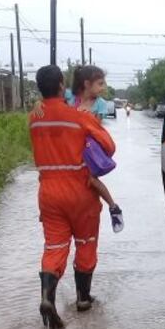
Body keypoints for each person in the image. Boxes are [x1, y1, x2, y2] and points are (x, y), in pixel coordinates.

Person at [29, 65, 116, 329]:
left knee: (54, 247)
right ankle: (83, 300)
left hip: (48, 191)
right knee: (86, 243)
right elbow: (109, 147)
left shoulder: (34, 117)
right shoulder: (78, 116)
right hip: (79, 189)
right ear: (60, 86)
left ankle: (47, 297)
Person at [67, 66, 124, 233]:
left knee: (91, 179)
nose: (104, 87)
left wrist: (82, 118)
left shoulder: (100, 104)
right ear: (86, 84)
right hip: (70, 146)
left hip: (89, 147)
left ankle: (113, 207)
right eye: (100, 83)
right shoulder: (70, 98)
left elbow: (95, 128)